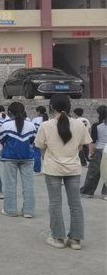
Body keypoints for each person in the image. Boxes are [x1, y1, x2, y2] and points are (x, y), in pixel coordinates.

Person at [35, 94, 91, 250]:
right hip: (73, 167)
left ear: (51, 107)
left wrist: (47, 158)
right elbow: (81, 146)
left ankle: (58, 238)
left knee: (55, 203)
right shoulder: (79, 125)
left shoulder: (46, 125)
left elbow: (41, 147)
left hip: (52, 168)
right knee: (75, 204)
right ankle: (76, 240)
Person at [0, 102, 36, 218]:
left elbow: (1, 140)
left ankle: (10, 210)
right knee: (28, 184)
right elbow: (32, 140)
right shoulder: (31, 125)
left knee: (10, 183)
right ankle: (29, 211)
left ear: (10, 113)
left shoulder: (6, 125)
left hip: (10, 157)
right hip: (28, 157)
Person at [79, 105, 107, 199]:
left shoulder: (96, 126)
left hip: (99, 150)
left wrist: (90, 153)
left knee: (93, 172)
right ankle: (105, 193)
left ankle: (87, 192)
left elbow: (93, 141)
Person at [32, 106, 48, 175]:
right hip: (47, 140)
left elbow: (32, 130)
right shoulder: (48, 119)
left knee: (37, 155)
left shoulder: (35, 120)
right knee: (47, 155)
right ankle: (46, 170)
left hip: (37, 139)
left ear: (38, 112)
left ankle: (37, 171)